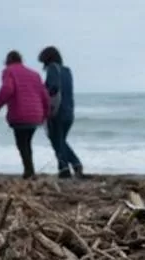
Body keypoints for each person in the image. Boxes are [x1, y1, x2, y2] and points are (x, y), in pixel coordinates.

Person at [0, 50, 50, 179]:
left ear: (8, 61)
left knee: (22, 144)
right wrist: (44, 114)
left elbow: (7, 89)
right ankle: (29, 171)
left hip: (20, 114)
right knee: (26, 143)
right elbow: (44, 96)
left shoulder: (9, 71)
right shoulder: (35, 74)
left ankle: (29, 172)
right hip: (36, 115)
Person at [38, 46, 84, 179]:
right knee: (60, 140)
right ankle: (64, 169)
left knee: (57, 140)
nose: (43, 65)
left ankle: (74, 164)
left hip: (57, 111)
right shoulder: (67, 71)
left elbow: (53, 87)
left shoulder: (52, 68)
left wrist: (43, 94)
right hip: (69, 111)